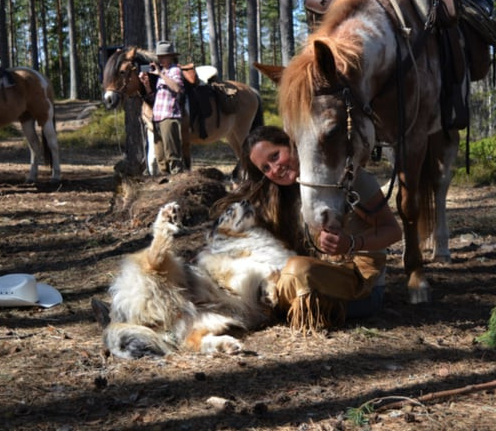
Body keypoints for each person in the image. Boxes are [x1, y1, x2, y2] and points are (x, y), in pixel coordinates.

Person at [213, 125, 402, 332]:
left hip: (360, 286)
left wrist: (351, 244)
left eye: (275, 156)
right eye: (265, 168)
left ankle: (273, 307)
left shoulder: (348, 178)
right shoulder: (280, 197)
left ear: (293, 145)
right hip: (308, 282)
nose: (274, 170)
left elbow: (392, 231)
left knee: (296, 271)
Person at [140, 41, 185, 174]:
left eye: (164, 56)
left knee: (173, 155)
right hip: (158, 118)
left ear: (171, 56)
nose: (160, 59)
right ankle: (165, 183)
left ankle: (177, 182)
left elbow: (177, 88)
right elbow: (155, 99)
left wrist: (160, 74)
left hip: (169, 117)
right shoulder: (163, 73)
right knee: (160, 157)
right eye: (159, 56)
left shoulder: (174, 70)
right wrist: (147, 85)